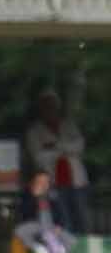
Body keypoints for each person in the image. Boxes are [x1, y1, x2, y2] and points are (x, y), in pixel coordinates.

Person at [23, 88, 92, 235]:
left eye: (53, 105)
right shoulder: (34, 131)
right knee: (63, 221)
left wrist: (55, 147)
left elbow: (80, 145)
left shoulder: (69, 126)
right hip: (54, 184)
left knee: (83, 219)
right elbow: (39, 157)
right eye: (46, 105)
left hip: (77, 182)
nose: (50, 109)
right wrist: (66, 150)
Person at [14, 170, 76, 253]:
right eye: (40, 182)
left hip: (51, 229)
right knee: (20, 231)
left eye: (46, 182)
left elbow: (63, 214)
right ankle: (40, 250)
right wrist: (34, 197)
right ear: (33, 183)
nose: (43, 185)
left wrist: (60, 226)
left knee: (71, 240)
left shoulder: (54, 196)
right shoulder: (27, 195)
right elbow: (23, 215)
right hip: (35, 227)